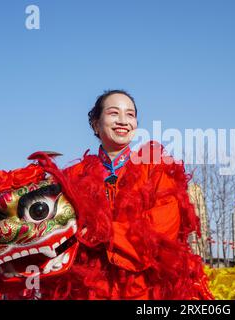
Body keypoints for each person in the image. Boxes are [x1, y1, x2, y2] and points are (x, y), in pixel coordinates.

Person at [63, 89, 213, 299]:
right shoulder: (72, 177)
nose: (123, 121)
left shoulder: (156, 169)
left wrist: (102, 232)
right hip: (87, 291)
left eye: (130, 115)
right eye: (114, 113)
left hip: (145, 291)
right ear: (96, 124)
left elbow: (161, 231)